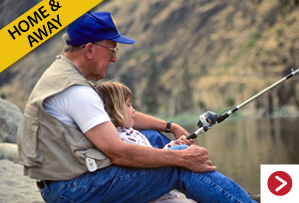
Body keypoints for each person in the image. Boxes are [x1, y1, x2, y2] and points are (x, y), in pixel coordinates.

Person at [17, 11, 258, 202]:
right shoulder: (75, 91)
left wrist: (170, 126)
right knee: (178, 164)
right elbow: (118, 152)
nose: (114, 58)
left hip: (65, 180)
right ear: (89, 50)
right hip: (71, 191)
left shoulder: (65, 74)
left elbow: (118, 113)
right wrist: (181, 158)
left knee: (153, 138)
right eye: (111, 50)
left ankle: (237, 197)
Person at [96, 81, 196, 203]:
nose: (133, 111)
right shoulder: (121, 139)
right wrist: (177, 151)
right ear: (115, 110)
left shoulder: (132, 132)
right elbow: (152, 162)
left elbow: (155, 154)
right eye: (128, 106)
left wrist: (175, 144)